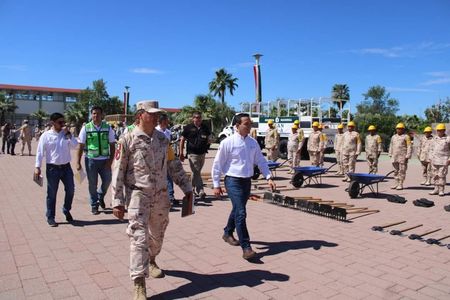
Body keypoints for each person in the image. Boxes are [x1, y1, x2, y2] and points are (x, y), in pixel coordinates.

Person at [111, 101, 192, 300]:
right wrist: (117, 200)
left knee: (157, 236)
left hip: (161, 196)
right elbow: (118, 170)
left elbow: (174, 166)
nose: (157, 118)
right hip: (138, 196)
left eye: (158, 115)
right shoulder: (127, 139)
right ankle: (139, 283)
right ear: (140, 115)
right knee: (138, 239)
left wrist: (188, 189)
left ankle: (152, 259)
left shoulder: (163, 140)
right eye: (152, 114)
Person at [212, 113, 276, 261]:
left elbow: (261, 160)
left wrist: (268, 177)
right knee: (241, 212)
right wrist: (216, 184)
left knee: (237, 209)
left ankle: (227, 232)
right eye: (246, 123)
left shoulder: (253, 143)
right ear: (237, 125)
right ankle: (246, 247)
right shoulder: (227, 143)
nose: (250, 126)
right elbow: (217, 164)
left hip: (246, 182)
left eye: (250, 123)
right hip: (232, 181)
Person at [34, 113, 78, 227]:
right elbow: (40, 152)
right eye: (60, 122)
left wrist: (69, 134)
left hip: (66, 167)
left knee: (71, 190)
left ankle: (66, 209)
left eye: (64, 122)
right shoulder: (46, 135)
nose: (63, 124)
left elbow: (75, 146)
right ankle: (50, 216)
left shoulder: (66, 134)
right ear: (52, 123)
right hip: (52, 168)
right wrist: (37, 167)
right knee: (52, 193)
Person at [76, 106, 116, 215]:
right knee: (92, 184)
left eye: (98, 113)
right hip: (91, 160)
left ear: (102, 115)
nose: (95, 116)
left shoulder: (108, 127)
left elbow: (112, 146)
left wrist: (110, 161)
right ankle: (94, 205)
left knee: (107, 181)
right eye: (93, 113)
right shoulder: (86, 128)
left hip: (105, 160)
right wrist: (78, 162)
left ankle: (100, 196)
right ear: (91, 115)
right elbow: (80, 146)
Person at [179, 111, 211, 200]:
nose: (198, 119)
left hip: (202, 153)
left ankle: (191, 189)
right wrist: (181, 153)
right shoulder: (188, 128)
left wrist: (208, 145)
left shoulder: (205, 127)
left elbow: (209, 139)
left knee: (196, 172)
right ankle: (200, 190)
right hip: (192, 153)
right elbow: (182, 140)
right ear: (193, 118)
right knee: (196, 171)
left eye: (199, 117)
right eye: (196, 117)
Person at [156, 113, 175, 204]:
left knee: (169, 177)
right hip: (157, 159)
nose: (168, 122)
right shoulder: (155, 131)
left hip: (167, 158)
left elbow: (169, 144)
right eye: (166, 120)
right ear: (162, 121)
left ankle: (171, 196)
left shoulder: (168, 132)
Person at [388, 123, 412, 190]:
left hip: (402, 156)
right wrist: (390, 153)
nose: (399, 130)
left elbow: (409, 146)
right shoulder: (393, 137)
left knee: (402, 170)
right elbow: (391, 145)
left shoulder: (406, 137)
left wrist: (408, 156)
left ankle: (400, 183)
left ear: (403, 129)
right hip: (394, 156)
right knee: (395, 170)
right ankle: (396, 183)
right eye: (398, 129)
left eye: (400, 129)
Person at [429, 123, 450, 196]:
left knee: (441, 175)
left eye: (440, 130)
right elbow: (431, 149)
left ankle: (441, 190)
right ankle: (436, 189)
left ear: (444, 130)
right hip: (434, 160)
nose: (438, 132)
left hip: (443, 160)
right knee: (435, 175)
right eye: (438, 130)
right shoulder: (434, 138)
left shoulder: (448, 139)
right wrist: (430, 157)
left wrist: (449, 159)